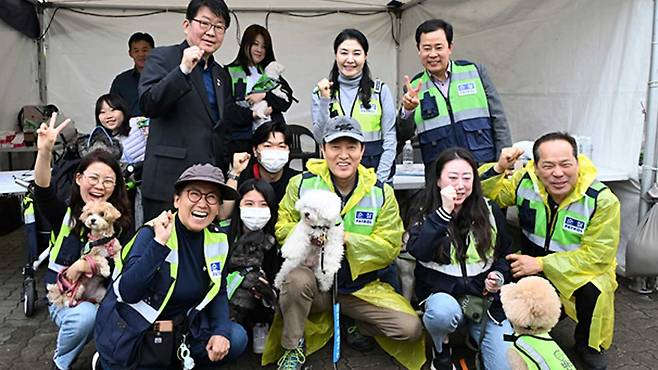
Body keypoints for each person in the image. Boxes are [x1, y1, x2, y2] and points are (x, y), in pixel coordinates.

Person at [262, 116, 425, 370]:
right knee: (294, 281)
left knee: (410, 328)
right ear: (323, 149)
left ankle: (354, 321)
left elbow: (390, 247)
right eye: (335, 147)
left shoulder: (380, 192)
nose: (343, 155)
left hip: (360, 289)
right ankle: (293, 348)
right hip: (316, 288)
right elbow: (282, 227)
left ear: (362, 151)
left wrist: (346, 238)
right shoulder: (302, 184)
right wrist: (308, 234)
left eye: (351, 147)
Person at [479, 132, 621, 370]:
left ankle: (587, 344)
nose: (558, 173)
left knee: (594, 290)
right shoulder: (525, 181)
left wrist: (543, 264)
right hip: (531, 263)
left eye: (566, 164)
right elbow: (486, 195)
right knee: (504, 304)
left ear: (577, 162)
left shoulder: (601, 200)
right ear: (535, 167)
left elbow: (598, 256)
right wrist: (498, 169)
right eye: (548, 166)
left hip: (580, 270)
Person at [94, 163, 248, 369]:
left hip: (185, 329)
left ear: (218, 207)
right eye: (194, 194)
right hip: (137, 335)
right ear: (177, 200)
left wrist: (221, 331)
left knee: (235, 337)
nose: (203, 203)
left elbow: (218, 289)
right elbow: (127, 292)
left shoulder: (217, 239)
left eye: (212, 197)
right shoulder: (152, 233)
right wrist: (158, 245)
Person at [33, 113, 132, 370]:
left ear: (116, 187)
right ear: (79, 179)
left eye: (108, 181)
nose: (100, 185)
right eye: (94, 178)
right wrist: (44, 152)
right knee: (85, 317)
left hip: (105, 295)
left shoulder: (122, 224)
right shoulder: (66, 215)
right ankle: (62, 361)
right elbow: (43, 193)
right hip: (66, 295)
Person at [407, 147, 513, 370]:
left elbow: (505, 255)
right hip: (441, 298)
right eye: (452, 178)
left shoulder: (489, 210)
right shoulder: (422, 208)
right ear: (438, 181)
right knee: (442, 313)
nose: (460, 185)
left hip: (482, 302)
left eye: (467, 177)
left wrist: (499, 276)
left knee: (504, 365)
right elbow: (419, 251)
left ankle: (474, 340)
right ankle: (441, 351)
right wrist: (443, 213)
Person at [138, 0, 234, 221]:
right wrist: (183, 70)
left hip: (207, 184)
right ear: (186, 25)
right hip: (168, 182)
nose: (211, 32)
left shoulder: (220, 73)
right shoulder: (163, 57)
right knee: (160, 249)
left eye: (219, 27)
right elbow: (148, 104)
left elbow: (219, 128)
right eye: (205, 23)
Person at [399, 19, 511, 172]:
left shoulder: (475, 72)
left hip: (482, 164)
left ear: (450, 47)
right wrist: (407, 110)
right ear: (419, 50)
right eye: (426, 48)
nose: (433, 54)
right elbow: (403, 135)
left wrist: (504, 160)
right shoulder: (413, 87)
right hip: (440, 171)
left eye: (438, 47)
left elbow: (499, 119)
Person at [312, 28, 396, 183]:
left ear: (365, 56)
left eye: (356, 53)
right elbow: (319, 138)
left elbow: (390, 138)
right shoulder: (322, 91)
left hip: (375, 171)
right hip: (336, 175)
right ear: (335, 55)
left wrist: (380, 180)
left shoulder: (379, 91)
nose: (350, 59)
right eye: (344, 53)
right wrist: (325, 100)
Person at [224, 24, 295, 164]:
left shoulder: (271, 72)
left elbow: (286, 100)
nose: (259, 50)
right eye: (255, 44)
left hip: (271, 141)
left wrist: (264, 96)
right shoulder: (229, 72)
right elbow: (227, 110)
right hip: (241, 141)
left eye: (264, 46)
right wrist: (253, 114)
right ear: (245, 44)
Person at [226, 179, 280, 326]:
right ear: (239, 205)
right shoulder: (223, 236)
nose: (256, 209)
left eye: (263, 205)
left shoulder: (274, 242)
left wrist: (268, 295)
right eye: (249, 204)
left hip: (259, 316)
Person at [229, 120, 299, 203]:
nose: (275, 152)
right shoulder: (243, 178)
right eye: (268, 146)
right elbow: (224, 213)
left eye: (281, 146)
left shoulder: (297, 180)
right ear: (255, 150)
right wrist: (235, 173)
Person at [110, 32, 155, 118]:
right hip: (130, 130)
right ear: (130, 53)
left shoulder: (165, 77)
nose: (141, 54)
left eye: (145, 50)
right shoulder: (121, 81)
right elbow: (113, 109)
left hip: (160, 128)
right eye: (136, 51)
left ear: (153, 51)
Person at [95, 93, 147, 164]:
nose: (108, 116)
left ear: (123, 110)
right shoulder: (102, 142)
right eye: (102, 112)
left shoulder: (139, 123)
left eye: (112, 110)